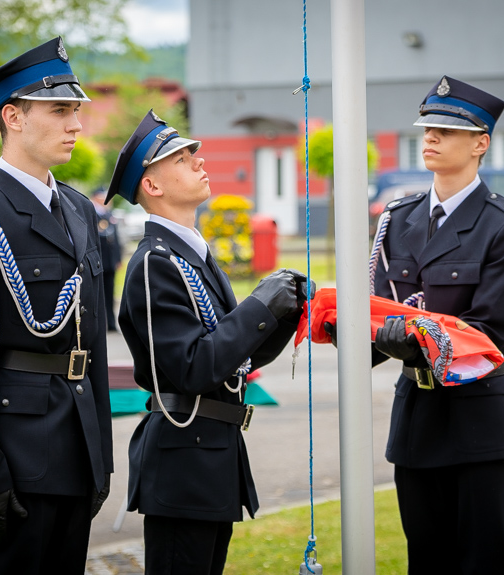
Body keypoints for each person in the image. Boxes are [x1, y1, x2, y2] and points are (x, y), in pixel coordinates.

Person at [0, 37, 113, 575]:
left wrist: (98, 455)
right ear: (11, 116)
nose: (75, 126)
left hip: (76, 449)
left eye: (76, 111)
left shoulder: (79, 209)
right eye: (60, 111)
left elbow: (92, 344)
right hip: (16, 461)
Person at [111, 110, 310, 575]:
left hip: (209, 456)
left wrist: (281, 314)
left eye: (192, 152)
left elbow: (234, 358)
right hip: (184, 461)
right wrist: (259, 306)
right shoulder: (154, 263)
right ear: (153, 186)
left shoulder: (192, 252)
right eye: (180, 158)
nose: (198, 160)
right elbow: (192, 367)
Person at [364, 76, 504, 574]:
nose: (430, 138)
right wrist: (335, 322)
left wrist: (402, 334)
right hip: (417, 417)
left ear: (481, 143)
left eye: (446, 129)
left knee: (483, 563)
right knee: (427, 562)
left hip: (479, 418)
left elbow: (487, 334)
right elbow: (379, 316)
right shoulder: (398, 219)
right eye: (427, 128)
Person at [90, 187, 122, 331]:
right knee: (99, 295)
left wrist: (118, 258)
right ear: (96, 198)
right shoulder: (92, 215)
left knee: (110, 292)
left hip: (110, 261)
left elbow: (115, 240)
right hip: (99, 262)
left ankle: (111, 322)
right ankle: (101, 324)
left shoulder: (109, 215)